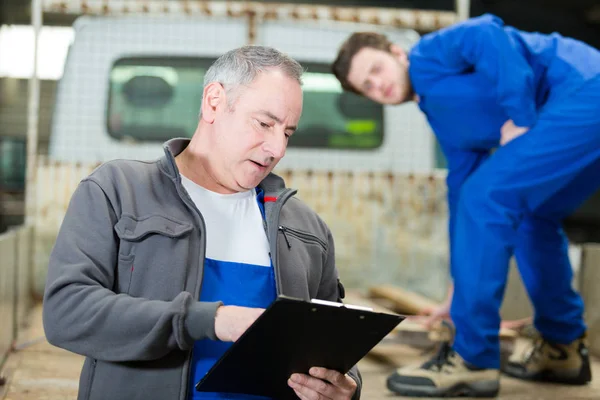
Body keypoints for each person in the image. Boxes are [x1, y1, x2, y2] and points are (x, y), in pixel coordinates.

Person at [43, 45, 361, 400]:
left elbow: (332, 345)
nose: (277, 148)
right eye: (264, 123)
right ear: (213, 102)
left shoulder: (307, 229)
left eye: (287, 132)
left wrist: (345, 386)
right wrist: (212, 320)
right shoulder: (118, 191)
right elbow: (66, 312)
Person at [331, 13, 600, 398]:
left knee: (488, 197)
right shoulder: (441, 115)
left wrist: (520, 114)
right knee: (530, 219)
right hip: (578, 111)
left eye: (377, 69)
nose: (379, 85)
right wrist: (457, 290)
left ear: (396, 52)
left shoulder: (428, 54)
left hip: (583, 89)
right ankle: (564, 346)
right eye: (367, 86)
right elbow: (461, 195)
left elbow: (487, 35)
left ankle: (472, 358)